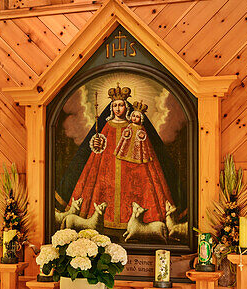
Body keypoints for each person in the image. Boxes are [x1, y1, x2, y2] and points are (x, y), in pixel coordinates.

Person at [65, 85, 173, 231]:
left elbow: (142, 148)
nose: (117, 108)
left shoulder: (133, 126)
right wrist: (97, 143)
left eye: (121, 105)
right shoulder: (107, 126)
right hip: (107, 170)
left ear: (126, 107)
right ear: (111, 107)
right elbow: (100, 147)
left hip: (130, 172)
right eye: (115, 105)